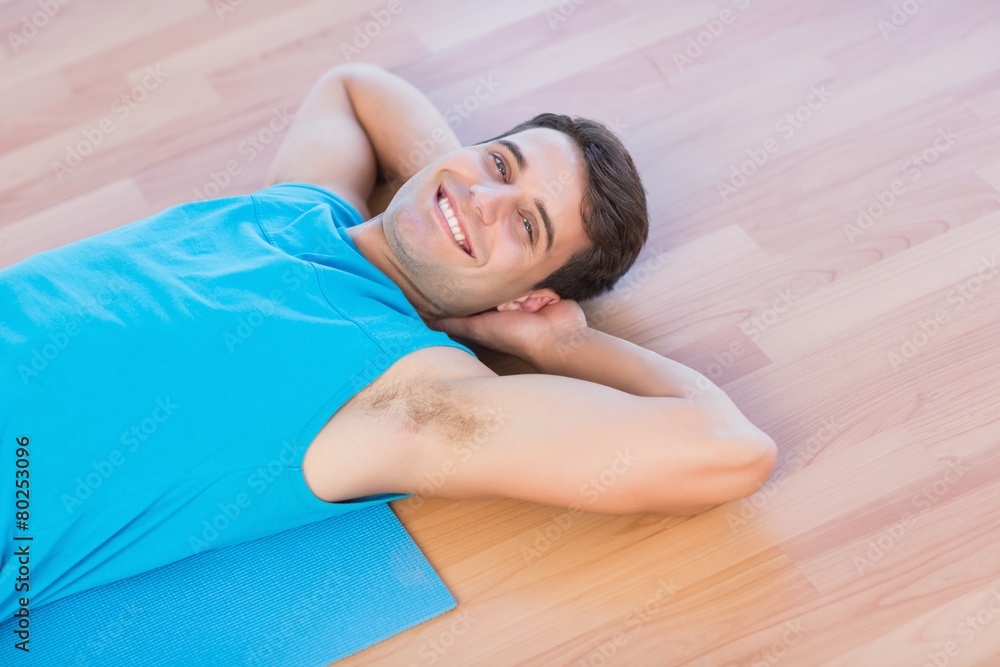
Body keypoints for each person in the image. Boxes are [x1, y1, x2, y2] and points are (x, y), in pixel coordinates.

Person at [0, 63, 776, 615]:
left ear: (531, 294)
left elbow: (731, 449)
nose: (487, 201)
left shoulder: (411, 397)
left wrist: (561, 347)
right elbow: (356, 84)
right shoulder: (305, 205)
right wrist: (456, 190)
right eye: (500, 162)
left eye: (527, 225)